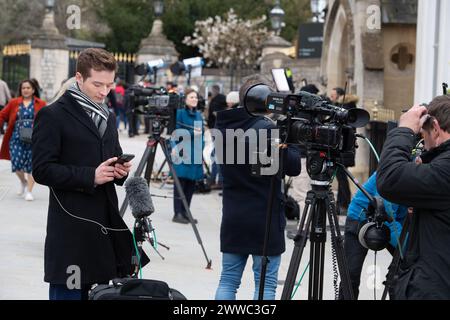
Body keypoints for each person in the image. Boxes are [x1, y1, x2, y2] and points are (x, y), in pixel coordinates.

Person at [32, 48, 149, 300]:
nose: (104, 91)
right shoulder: (52, 115)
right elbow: (42, 170)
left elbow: (110, 156)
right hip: (71, 227)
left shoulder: (106, 113)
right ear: (78, 77)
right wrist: (90, 176)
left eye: (109, 85)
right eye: (98, 84)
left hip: (105, 224)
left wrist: (119, 171)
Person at [214, 76, 301, 300]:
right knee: (265, 286)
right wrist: (289, 138)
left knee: (228, 281)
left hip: (234, 215)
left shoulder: (225, 126)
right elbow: (292, 166)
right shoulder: (265, 129)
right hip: (265, 216)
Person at [377, 95, 450, 299]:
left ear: (435, 127)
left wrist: (404, 130)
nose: (422, 143)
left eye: (423, 134)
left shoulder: (445, 169)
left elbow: (390, 178)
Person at [341, 171, 407, 299]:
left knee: (406, 267)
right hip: (361, 218)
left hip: (393, 219)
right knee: (350, 277)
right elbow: (388, 214)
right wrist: (410, 247)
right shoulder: (396, 170)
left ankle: (395, 285)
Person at [0, 79, 46, 201]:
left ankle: (29, 191)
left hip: (34, 138)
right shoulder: (14, 102)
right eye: (23, 88)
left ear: (33, 90)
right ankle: (23, 182)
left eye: (28, 88)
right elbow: (2, 115)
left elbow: (47, 119)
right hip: (16, 138)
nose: (25, 90)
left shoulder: (40, 103)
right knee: (16, 163)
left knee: (32, 165)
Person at [171, 88, 204, 224]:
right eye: (191, 97)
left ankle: (186, 211)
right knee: (180, 183)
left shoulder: (198, 115)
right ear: (185, 99)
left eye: (196, 97)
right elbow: (176, 133)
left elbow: (200, 135)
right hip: (183, 151)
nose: (194, 99)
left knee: (191, 184)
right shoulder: (180, 113)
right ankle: (177, 213)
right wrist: (192, 133)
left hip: (195, 153)